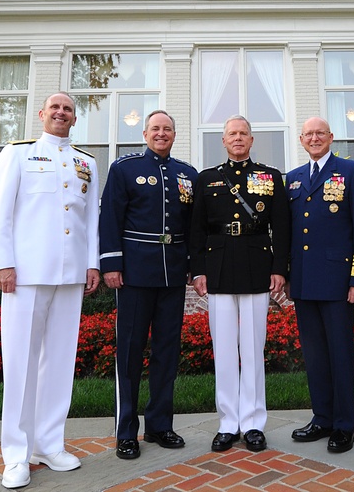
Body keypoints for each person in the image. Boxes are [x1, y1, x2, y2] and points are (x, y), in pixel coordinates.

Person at [0, 92, 101, 489]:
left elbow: (92, 218)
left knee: (59, 362)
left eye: (68, 109)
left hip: (69, 275)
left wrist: (93, 263)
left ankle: (49, 444)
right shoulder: (17, 154)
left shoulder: (87, 162)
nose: (61, 113)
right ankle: (15, 455)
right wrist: (2, 262)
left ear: (74, 117)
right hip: (26, 274)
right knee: (20, 364)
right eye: (55, 107)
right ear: (42, 114)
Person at [189, 115, 291, 453]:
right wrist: (198, 270)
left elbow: (282, 227)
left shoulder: (270, 176)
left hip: (256, 263)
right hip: (217, 267)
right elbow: (196, 231)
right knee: (224, 350)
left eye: (243, 133)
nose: (237, 138)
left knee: (252, 347)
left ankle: (253, 422)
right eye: (231, 133)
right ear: (223, 140)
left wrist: (280, 268)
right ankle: (227, 422)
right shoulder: (207, 179)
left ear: (251, 139)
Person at [99, 110, 195, 460]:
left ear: (174, 134)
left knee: (166, 353)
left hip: (172, 274)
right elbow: (110, 217)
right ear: (144, 133)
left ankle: (159, 425)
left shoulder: (187, 174)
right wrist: (111, 264)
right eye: (155, 128)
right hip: (135, 274)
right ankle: (126, 431)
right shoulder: (124, 169)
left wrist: (193, 267)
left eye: (167, 129)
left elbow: (193, 227)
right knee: (129, 353)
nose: (161, 133)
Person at [286, 117, 354, 453]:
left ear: (331, 137)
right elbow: (290, 232)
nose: (314, 138)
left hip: (339, 281)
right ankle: (321, 417)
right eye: (308, 134)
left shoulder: (351, 172)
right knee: (315, 356)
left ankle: (344, 425)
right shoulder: (293, 179)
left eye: (319, 133)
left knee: (339, 354)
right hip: (306, 282)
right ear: (301, 139)